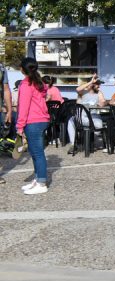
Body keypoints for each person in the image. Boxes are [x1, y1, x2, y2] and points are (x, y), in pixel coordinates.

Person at [16, 58, 51, 195]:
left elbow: (23, 107)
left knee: (37, 153)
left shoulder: (26, 85)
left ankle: (42, 183)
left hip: (33, 121)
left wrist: (20, 126)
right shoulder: (38, 83)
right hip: (41, 119)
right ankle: (38, 179)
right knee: (35, 152)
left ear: (22, 69)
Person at [66, 75, 107, 154]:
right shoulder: (83, 92)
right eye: (97, 84)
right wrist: (91, 82)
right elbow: (77, 89)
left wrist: (103, 103)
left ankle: (90, 142)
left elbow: (102, 102)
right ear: (91, 84)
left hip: (93, 117)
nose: (99, 86)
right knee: (71, 121)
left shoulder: (99, 93)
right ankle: (73, 144)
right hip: (81, 118)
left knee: (99, 125)